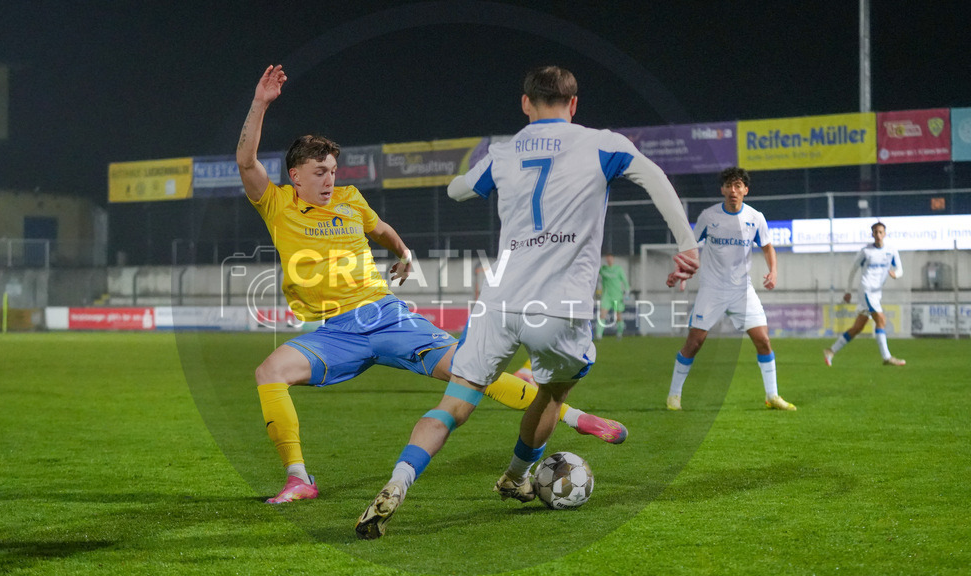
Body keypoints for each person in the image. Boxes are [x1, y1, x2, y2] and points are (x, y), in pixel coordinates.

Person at [235, 65, 629, 505]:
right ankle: (298, 479)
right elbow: (246, 162)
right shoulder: (276, 205)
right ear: (295, 176)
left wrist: (402, 253)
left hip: (384, 314)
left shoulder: (350, 200)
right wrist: (260, 103)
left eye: (332, 170)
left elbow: (381, 229)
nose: (330, 180)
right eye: (320, 172)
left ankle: (571, 414)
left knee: (468, 372)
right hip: (334, 331)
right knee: (270, 372)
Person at [356, 65, 700, 539]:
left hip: (497, 301)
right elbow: (655, 177)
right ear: (574, 104)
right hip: (558, 309)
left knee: (453, 403)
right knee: (553, 393)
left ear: (525, 104)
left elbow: (456, 190)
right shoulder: (603, 144)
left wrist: (483, 168)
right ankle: (515, 478)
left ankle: (399, 480)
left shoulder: (504, 152)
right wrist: (687, 243)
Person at [665, 167, 796, 412]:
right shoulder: (709, 216)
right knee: (694, 343)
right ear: (722, 189)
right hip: (712, 290)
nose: (733, 191)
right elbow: (691, 247)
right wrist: (680, 272)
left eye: (738, 186)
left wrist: (773, 271)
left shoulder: (756, 217)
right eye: (729, 186)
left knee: (763, 341)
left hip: (742, 291)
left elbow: (768, 247)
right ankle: (674, 396)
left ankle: (772, 395)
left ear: (746, 190)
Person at [823, 222, 905, 366]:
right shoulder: (866, 252)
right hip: (866, 290)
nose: (878, 235)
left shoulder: (891, 251)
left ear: (885, 234)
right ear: (872, 234)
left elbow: (900, 269)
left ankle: (831, 351)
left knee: (858, 327)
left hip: (876, 293)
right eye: (875, 232)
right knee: (881, 320)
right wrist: (848, 291)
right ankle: (887, 357)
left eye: (880, 232)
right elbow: (853, 270)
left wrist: (896, 274)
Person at [595, 253, 630, 339]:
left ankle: (619, 333)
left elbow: (625, 282)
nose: (609, 260)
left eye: (610, 258)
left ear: (613, 259)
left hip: (617, 296)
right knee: (602, 315)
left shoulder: (618, 269)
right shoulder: (603, 269)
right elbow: (596, 277)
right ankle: (599, 335)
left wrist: (627, 292)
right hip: (606, 296)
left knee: (618, 316)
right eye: (607, 258)